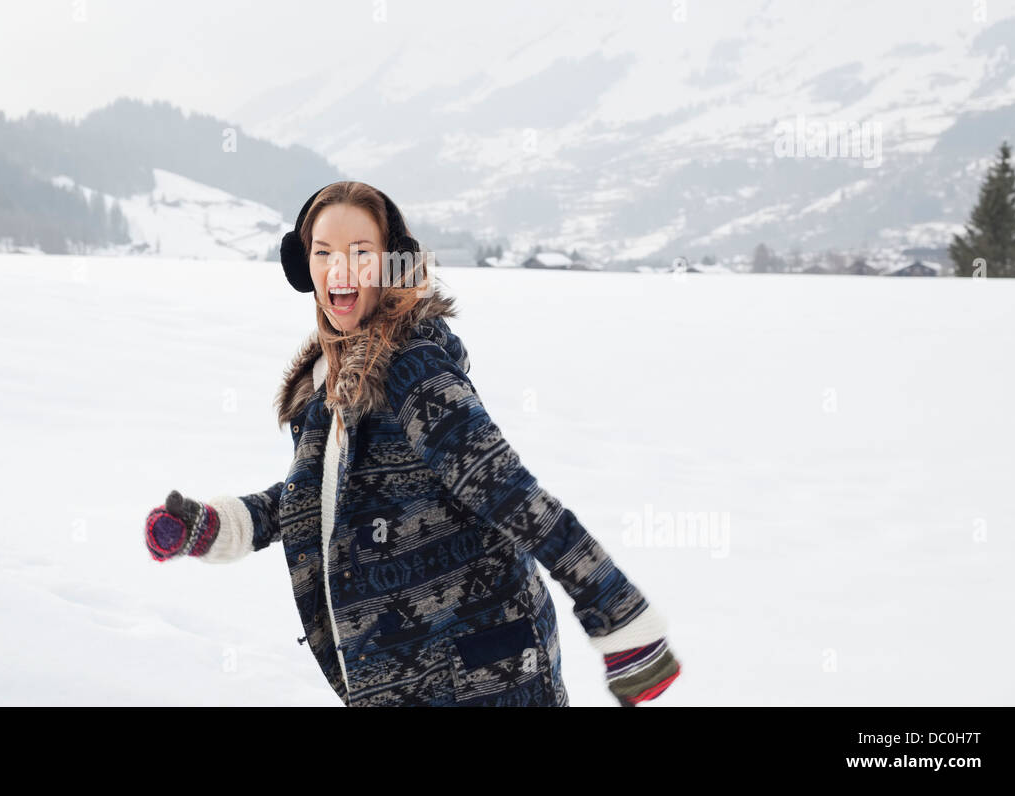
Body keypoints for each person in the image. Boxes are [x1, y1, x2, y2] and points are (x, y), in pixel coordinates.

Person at [145, 180, 682, 707]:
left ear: (391, 264)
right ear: (302, 266)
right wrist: (215, 527)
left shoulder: (412, 368)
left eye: (361, 252)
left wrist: (616, 613)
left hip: (482, 675)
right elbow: (320, 498)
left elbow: (511, 494)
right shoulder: (330, 376)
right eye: (324, 251)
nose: (340, 268)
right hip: (405, 676)